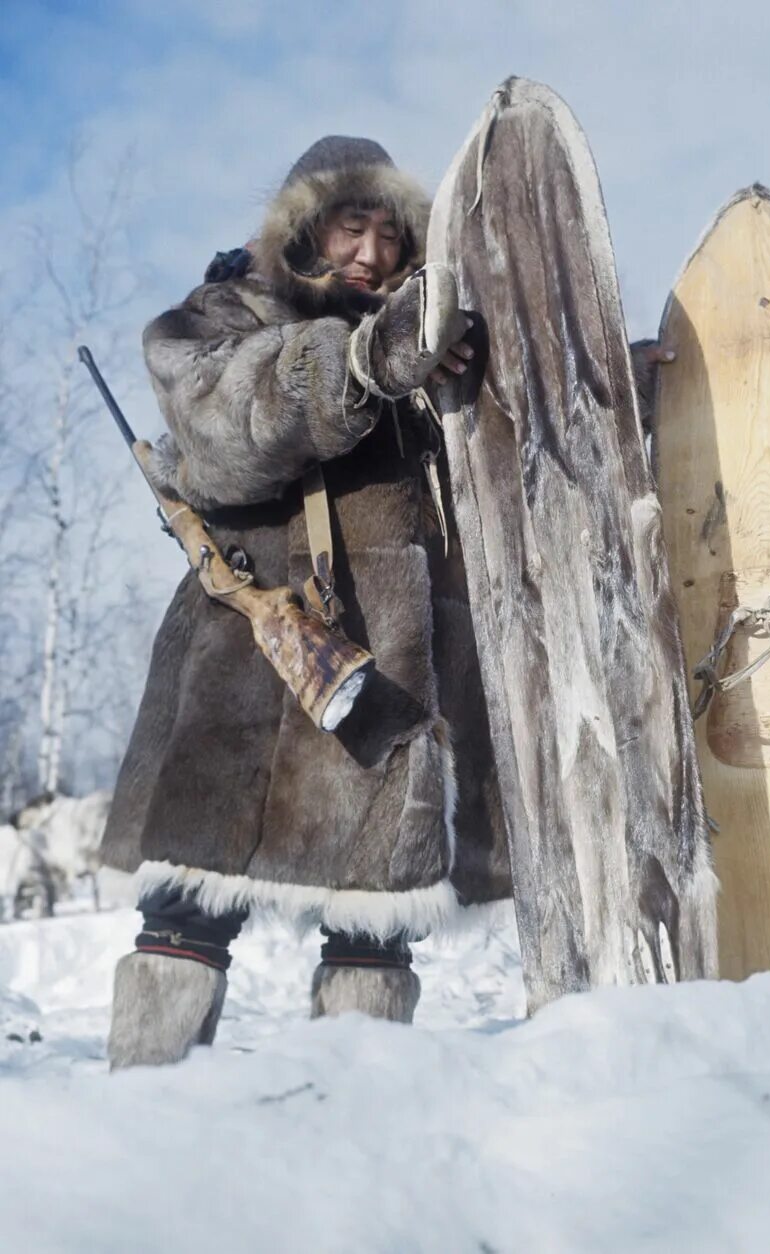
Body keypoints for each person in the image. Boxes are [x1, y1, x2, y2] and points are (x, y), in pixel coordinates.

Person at [103, 136, 673, 1069]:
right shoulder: (217, 316)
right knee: (188, 914)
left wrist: (619, 389)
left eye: (390, 235)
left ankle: (354, 1127)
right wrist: (363, 361)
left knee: (374, 930)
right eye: (349, 226)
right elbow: (226, 425)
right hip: (249, 671)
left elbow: (523, 443)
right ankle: (143, 1114)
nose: (370, 253)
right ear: (301, 229)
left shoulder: (436, 344)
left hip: (396, 675)